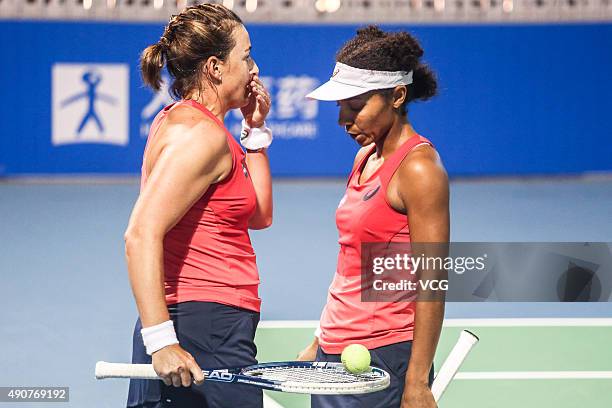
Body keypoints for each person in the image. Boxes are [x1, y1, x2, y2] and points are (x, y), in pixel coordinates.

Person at [124, 4, 273, 407]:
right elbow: (140, 233)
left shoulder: (200, 129)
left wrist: (254, 132)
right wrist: (161, 341)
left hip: (208, 324)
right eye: (246, 56)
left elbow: (259, 215)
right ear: (215, 67)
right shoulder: (199, 137)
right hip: (199, 329)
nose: (254, 68)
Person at [298, 26, 449, 408]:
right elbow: (351, 263)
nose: (343, 121)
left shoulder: (420, 170)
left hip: (383, 357)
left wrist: (416, 381)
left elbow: (432, 280)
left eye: (356, 106)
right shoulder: (364, 158)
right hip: (336, 348)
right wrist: (321, 337)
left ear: (397, 96)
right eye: (340, 108)